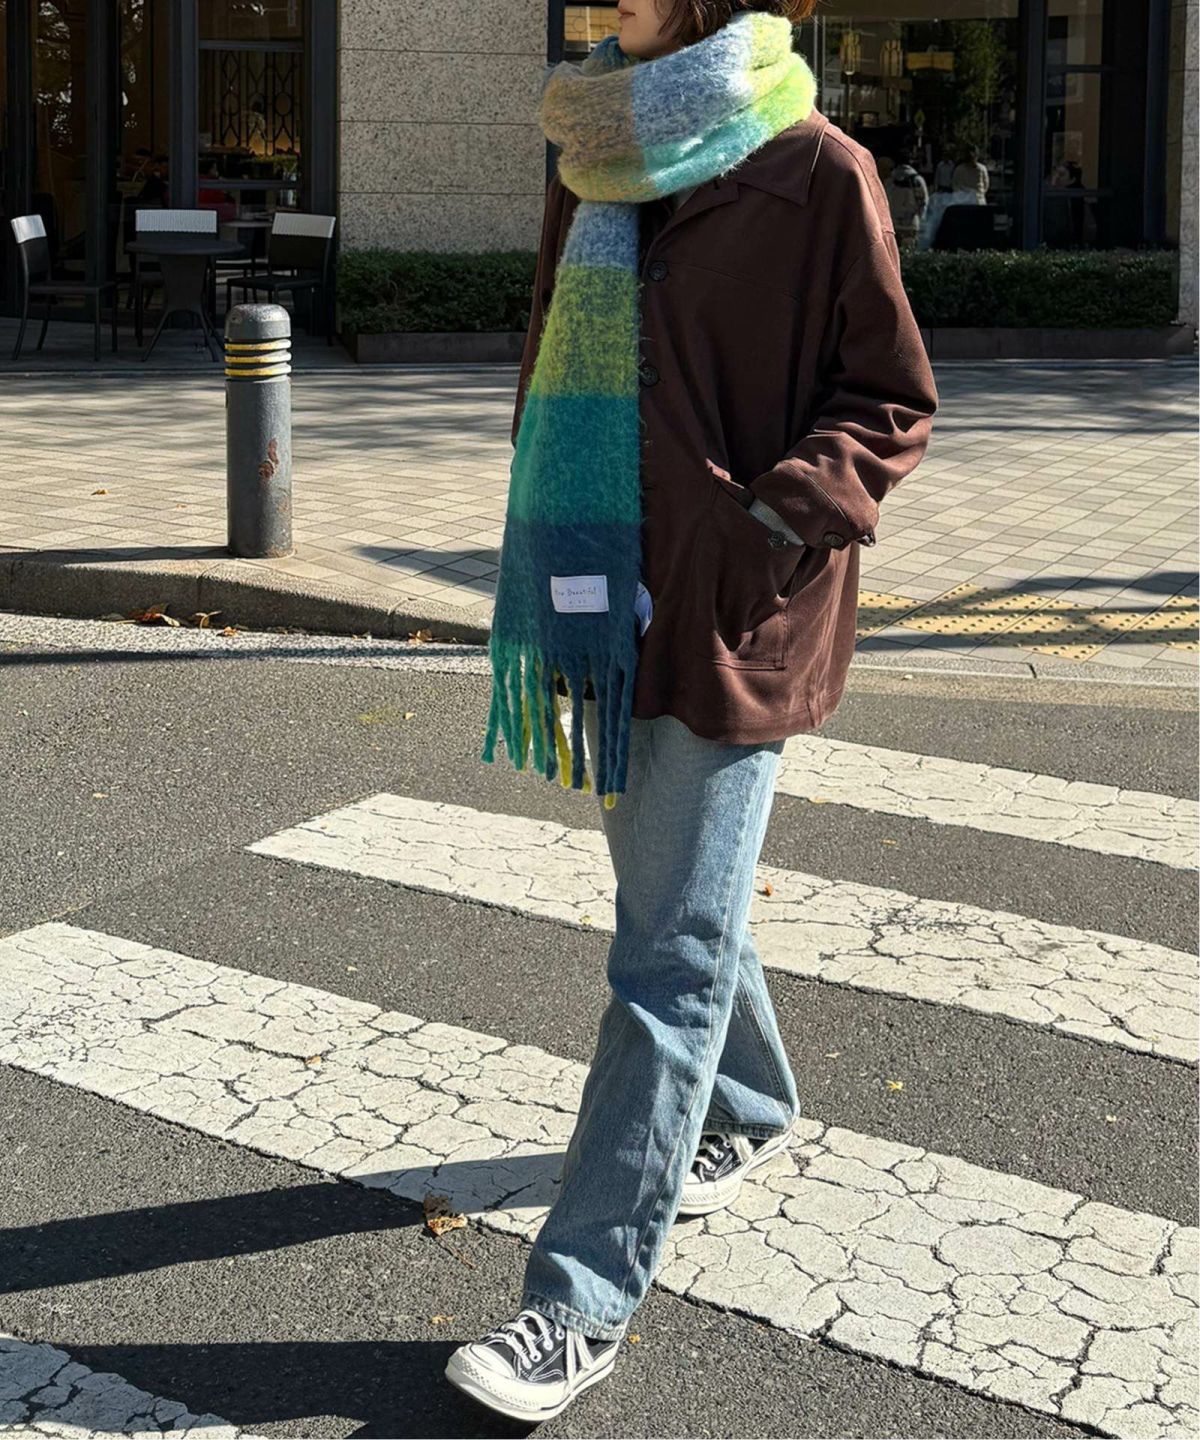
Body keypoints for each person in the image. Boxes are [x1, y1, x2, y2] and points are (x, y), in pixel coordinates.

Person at [452, 0, 937, 1421]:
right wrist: (546, 530)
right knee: (680, 906)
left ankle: (577, 1303)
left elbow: (890, 395)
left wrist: (768, 520)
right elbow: (553, 351)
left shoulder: (816, 166)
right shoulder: (589, 146)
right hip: (603, 589)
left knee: (664, 958)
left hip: (737, 612)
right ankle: (757, 1104)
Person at [883, 146, 929, 251]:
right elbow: (924, 202)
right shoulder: (917, 180)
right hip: (911, 224)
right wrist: (920, 219)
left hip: (893, 224)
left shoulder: (890, 180)